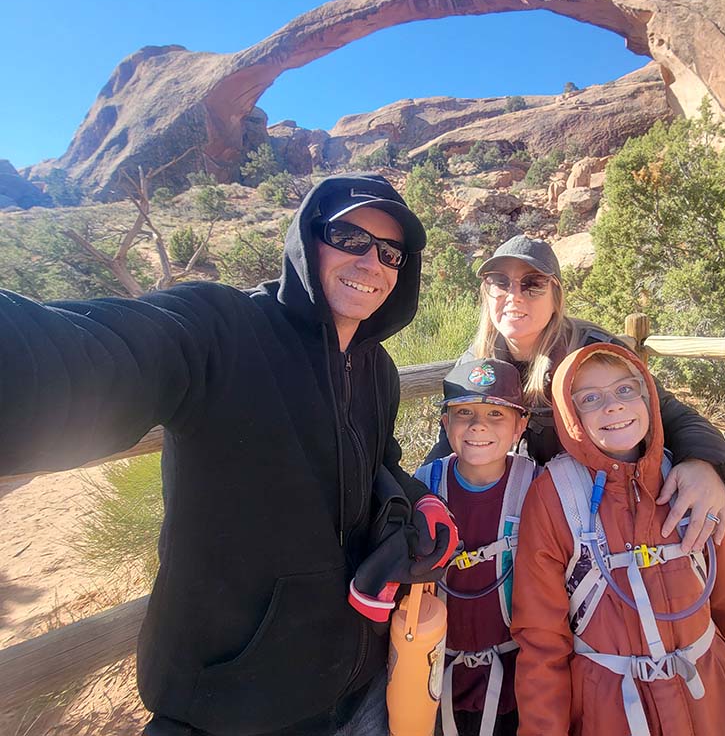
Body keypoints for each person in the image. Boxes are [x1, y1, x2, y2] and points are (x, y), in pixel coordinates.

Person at [0, 174, 459, 736]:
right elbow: (85, 354)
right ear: (308, 238)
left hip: (360, 692)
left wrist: (418, 501)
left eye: (390, 253)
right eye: (350, 238)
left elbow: (379, 461)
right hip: (232, 706)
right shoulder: (223, 329)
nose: (372, 263)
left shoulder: (377, 369)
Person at [511, 343, 725, 736]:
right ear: (569, 415)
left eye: (625, 389)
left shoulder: (692, 485)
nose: (614, 406)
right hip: (611, 713)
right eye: (590, 398)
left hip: (713, 705)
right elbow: (541, 643)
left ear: (648, 396)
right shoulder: (554, 498)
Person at [425, 234, 725, 552]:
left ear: (556, 296)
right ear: (486, 291)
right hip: (516, 514)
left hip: (596, 516)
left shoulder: (592, 351)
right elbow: (449, 445)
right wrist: (420, 499)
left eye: (533, 283)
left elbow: (668, 414)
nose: (514, 296)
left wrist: (706, 464)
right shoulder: (475, 366)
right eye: (500, 282)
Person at [413, 358, 536, 736]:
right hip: (435, 676)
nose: (478, 425)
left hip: (516, 677)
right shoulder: (424, 486)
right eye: (463, 412)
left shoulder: (537, 487)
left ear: (520, 425)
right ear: (445, 423)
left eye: (496, 413)